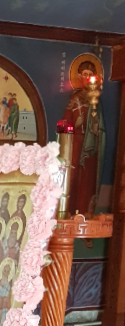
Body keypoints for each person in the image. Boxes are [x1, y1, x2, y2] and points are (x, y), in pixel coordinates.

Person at [63, 60, 106, 214]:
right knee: (74, 178)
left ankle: (86, 213)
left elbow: (100, 128)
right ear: (80, 77)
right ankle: (69, 212)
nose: (87, 78)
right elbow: (63, 126)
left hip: (90, 148)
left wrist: (96, 128)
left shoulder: (96, 102)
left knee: (87, 181)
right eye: (85, 75)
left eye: (90, 75)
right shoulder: (74, 98)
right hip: (75, 145)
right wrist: (75, 125)